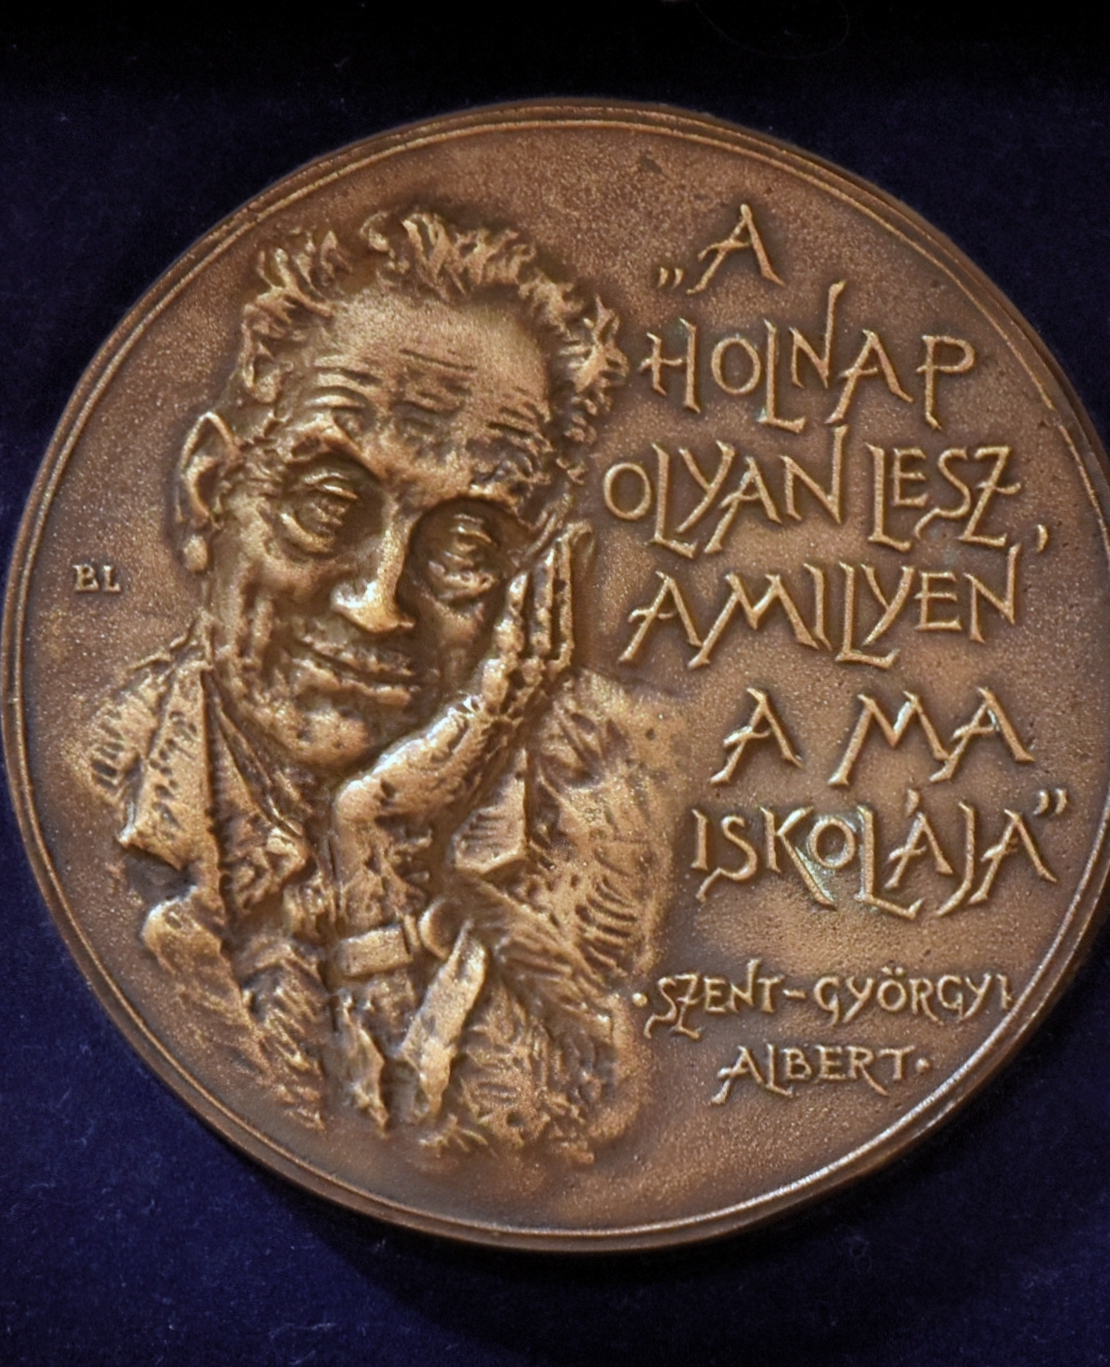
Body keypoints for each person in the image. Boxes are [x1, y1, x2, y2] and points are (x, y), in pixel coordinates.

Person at [87, 208, 676, 1160]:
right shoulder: (92, 783)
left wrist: (383, 851)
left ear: (531, 576)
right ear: (209, 492)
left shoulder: (615, 822)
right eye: (328, 505)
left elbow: (522, 1169)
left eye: (467, 543)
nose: (377, 603)